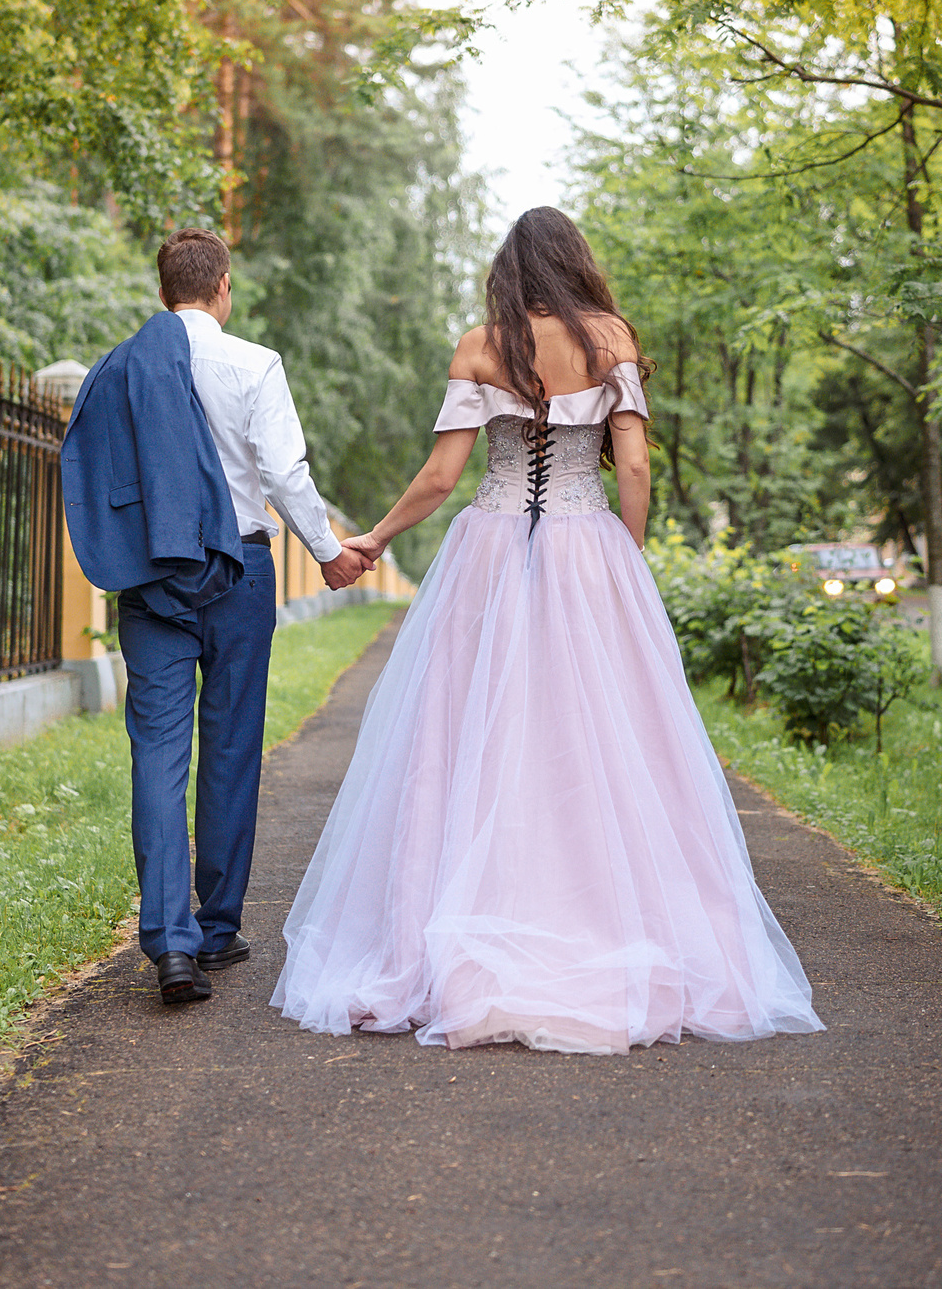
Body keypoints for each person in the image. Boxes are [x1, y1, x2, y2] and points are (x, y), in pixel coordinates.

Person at [269, 207, 823, 1054]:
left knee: (467, 735)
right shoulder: (611, 339)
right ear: (577, 263)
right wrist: (625, 556)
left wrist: (377, 537)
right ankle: (608, 920)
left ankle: (457, 934)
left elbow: (442, 474)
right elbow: (632, 462)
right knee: (601, 734)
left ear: (510, 270)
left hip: (488, 552)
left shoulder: (480, 344)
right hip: (586, 547)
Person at [63, 228, 371, 1007]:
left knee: (157, 753)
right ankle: (217, 925)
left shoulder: (125, 369)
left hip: (153, 576)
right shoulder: (253, 363)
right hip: (238, 568)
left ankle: (168, 941)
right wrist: (329, 550)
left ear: (162, 290)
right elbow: (283, 470)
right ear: (223, 286)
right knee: (231, 741)